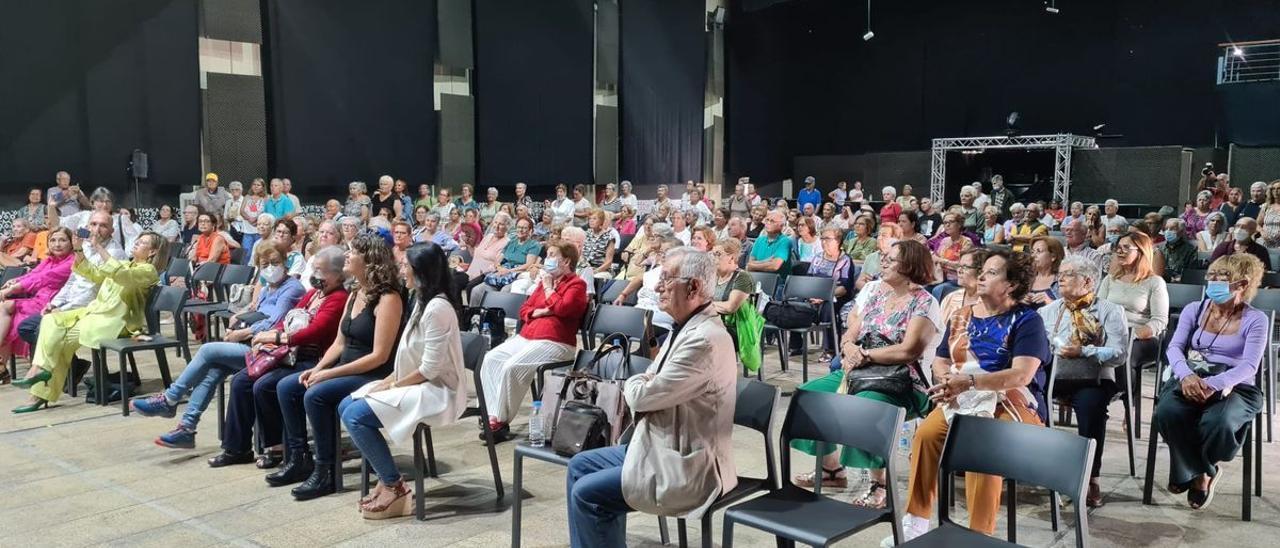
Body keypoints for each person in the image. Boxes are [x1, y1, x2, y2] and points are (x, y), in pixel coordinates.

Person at [565, 247, 737, 548]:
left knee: (588, 496)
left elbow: (642, 396)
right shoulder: (686, 326)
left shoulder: (704, 340)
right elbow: (651, 382)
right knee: (579, 466)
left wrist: (636, 380)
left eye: (667, 279)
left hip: (688, 462)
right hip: (660, 443)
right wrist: (645, 381)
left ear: (693, 286)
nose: (657, 287)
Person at [888, 249, 1050, 543]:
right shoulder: (962, 315)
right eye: (983, 271)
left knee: (980, 445)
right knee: (925, 435)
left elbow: (1021, 375)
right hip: (964, 396)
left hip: (1010, 401)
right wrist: (946, 379)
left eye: (992, 272)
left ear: (1011, 284)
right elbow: (939, 359)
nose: (982, 276)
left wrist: (970, 382)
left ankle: (979, 537)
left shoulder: (1027, 321)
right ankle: (916, 523)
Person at [793, 239, 940, 504]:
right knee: (808, 395)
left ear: (910, 266)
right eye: (885, 257)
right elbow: (854, 327)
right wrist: (849, 345)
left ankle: (878, 484)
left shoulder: (924, 302)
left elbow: (909, 351)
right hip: (861, 372)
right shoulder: (876, 292)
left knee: (864, 407)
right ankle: (832, 469)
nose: (883, 262)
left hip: (901, 381)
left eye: (891, 259)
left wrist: (865, 355)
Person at [270, 234, 404, 500]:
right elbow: (339, 344)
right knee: (287, 386)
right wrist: (318, 368)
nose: (347, 255)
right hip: (347, 366)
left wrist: (328, 374)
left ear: (369, 259)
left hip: (372, 373)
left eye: (352, 251)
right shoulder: (356, 293)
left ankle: (326, 470)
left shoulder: (388, 298)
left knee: (316, 395)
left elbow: (379, 356)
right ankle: (299, 457)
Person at [129, 245, 305, 445]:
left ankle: (170, 398)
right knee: (213, 369)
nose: (271, 268)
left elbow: (275, 321)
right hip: (252, 341)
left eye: (275, 263)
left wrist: (242, 333)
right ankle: (187, 427)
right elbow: (256, 309)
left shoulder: (292, 288)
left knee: (207, 350)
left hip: (268, 349)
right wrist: (239, 318)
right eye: (265, 265)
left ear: (285, 263)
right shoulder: (267, 288)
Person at [339, 242, 466, 519]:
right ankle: (386, 480)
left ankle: (393, 485)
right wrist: (388, 380)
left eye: (405, 265)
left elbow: (429, 369)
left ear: (420, 270)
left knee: (357, 416)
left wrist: (394, 385)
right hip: (416, 381)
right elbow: (411, 358)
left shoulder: (437, 308)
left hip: (438, 390)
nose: (401, 269)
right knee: (346, 405)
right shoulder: (421, 299)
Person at [13, 232, 169, 413]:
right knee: (50, 321)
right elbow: (94, 274)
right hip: (95, 314)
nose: (136, 243)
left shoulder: (148, 272)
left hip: (115, 322)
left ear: (152, 252)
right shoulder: (126, 264)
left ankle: (38, 393)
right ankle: (38, 370)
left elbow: (120, 274)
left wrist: (99, 247)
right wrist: (79, 249)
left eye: (142, 243)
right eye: (138, 240)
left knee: (60, 342)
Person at [1157, 254, 1267, 510]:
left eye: (1222, 277)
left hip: (1235, 385)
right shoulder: (1194, 309)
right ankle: (1203, 471)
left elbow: (1249, 365)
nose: (1213, 282)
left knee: (1220, 422)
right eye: (1211, 275)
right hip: (1191, 377)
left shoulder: (1255, 319)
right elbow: (1174, 348)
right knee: (1167, 411)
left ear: (1242, 284)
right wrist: (1186, 375)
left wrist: (1214, 384)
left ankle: (1192, 471)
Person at [1039, 255, 1129, 507]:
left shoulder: (1110, 310)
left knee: (1091, 408)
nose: (1060, 278)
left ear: (1087, 281)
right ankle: (1047, 468)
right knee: (1031, 397)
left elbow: (1120, 353)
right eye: (1060, 273)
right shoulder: (1047, 311)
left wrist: (1085, 351)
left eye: (1068, 274)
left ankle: (1090, 477)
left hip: (1094, 377)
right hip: (1056, 374)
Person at [480, 241, 588, 440]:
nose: (547, 260)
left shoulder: (577, 285)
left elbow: (564, 309)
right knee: (491, 358)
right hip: (527, 335)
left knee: (511, 367)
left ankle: (500, 421)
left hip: (556, 341)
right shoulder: (544, 282)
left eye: (552, 255)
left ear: (565, 261)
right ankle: (491, 413)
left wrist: (549, 291)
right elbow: (524, 310)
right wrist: (542, 311)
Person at [0, 228, 75, 381]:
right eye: (53, 240)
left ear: (71, 243)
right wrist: (16, 281)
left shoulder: (72, 261)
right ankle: (1, 367)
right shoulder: (49, 260)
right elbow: (34, 274)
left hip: (54, 304)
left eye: (62, 240)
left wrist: (13, 288)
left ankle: (2, 368)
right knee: (5, 309)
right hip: (39, 300)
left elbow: (44, 277)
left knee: (8, 311)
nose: (57, 244)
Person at [1099, 232, 1169, 377]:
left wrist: (1132, 335)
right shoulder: (1109, 280)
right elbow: (1097, 311)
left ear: (1141, 252)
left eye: (1126, 248)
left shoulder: (1155, 282)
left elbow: (1160, 320)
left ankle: (1122, 394)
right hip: (1110, 333)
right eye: (1118, 247)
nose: (1119, 251)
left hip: (1141, 338)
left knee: (1121, 352)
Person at [931, 211, 975, 300]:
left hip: (956, 278)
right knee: (923, 287)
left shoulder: (966, 242)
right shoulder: (944, 241)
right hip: (941, 276)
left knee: (938, 289)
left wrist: (942, 261)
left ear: (959, 224)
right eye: (945, 223)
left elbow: (961, 265)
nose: (947, 225)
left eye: (950, 222)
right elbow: (936, 259)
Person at [747, 210, 792, 286]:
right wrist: (767, 260)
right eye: (767, 220)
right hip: (757, 281)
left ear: (781, 225)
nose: (768, 223)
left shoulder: (785, 241)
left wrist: (755, 264)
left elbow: (774, 266)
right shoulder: (759, 240)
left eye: (772, 221)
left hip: (777, 284)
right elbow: (749, 265)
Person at [1024, 235, 1063, 308]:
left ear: (1053, 257)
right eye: (1032, 252)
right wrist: (1018, 300)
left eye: (1039, 251)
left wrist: (1049, 301)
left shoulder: (1062, 280)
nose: (1033, 256)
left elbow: (1068, 311)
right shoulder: (1026, 278)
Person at [1161, 218, 1198, 283]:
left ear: (1181, 232)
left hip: (1181, 283)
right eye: (1166, 229)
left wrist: (1179, 278)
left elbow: (1191, 272)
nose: (1168, 231)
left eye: (1172, 229)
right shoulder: (1159, 248)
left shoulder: (1191, 249)